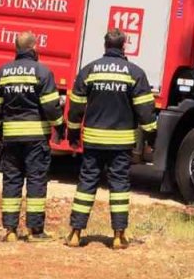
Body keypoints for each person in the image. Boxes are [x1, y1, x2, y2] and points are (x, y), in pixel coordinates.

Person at [64, 28, 157, 249]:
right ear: (123, 46)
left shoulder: (89, 70)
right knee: (119, 188)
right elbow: (145, 111)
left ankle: (76, 234)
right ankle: (118, 236)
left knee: (86, 184)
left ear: (105, 46)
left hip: (94, 141)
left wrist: (73, 134)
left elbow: (76, 107)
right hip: (121, 143)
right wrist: (152, 137)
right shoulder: (135, 73)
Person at [0, 31, 64, 243]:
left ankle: (10, 230)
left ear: (16, 49)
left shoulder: (2, 72)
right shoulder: (42, 72)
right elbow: (50, 105)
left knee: (11, 180)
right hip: (36, 138)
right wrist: (60, 127)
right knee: (36, 181)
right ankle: (34, 230)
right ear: (34, 48)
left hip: (11, 137)